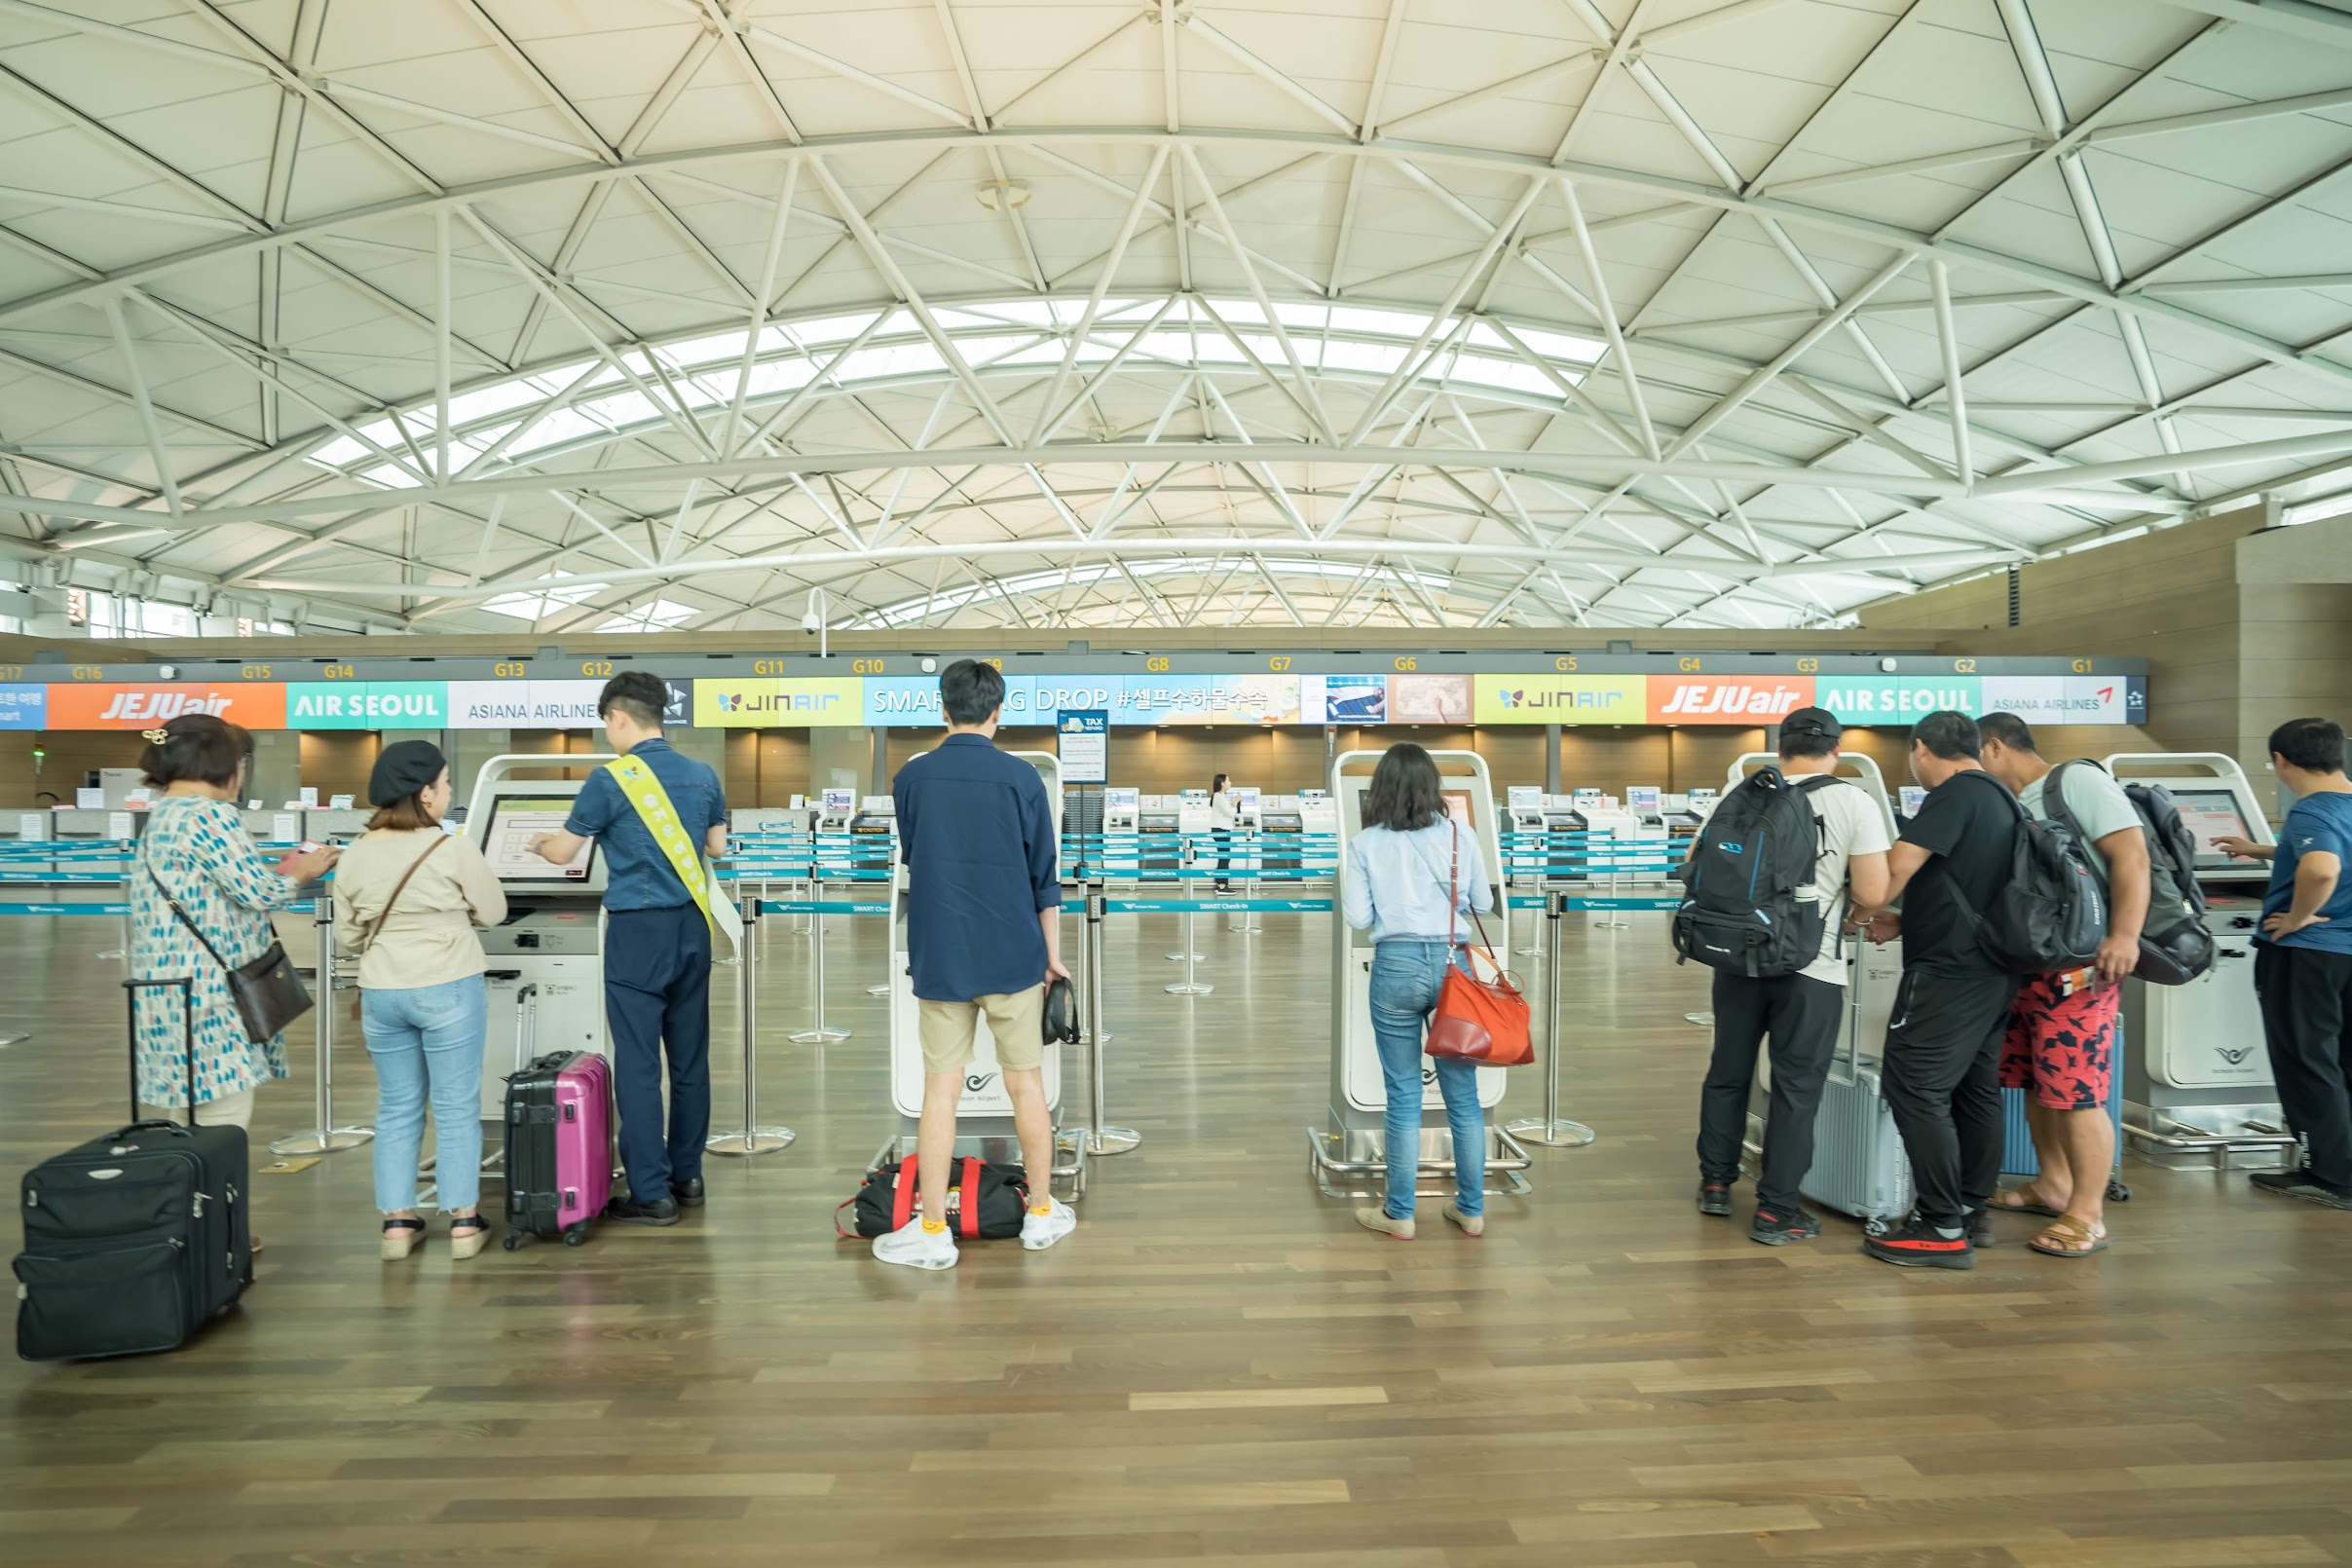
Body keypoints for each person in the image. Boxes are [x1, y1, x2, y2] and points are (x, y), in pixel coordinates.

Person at [877, 658, 1075, 1269]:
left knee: (942, 1091)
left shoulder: (912, 779)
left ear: (942, 709)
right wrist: (1052, 960)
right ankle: (1040, 1215)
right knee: (1027, 1085)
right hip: (1015, 953)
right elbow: (1044, 878)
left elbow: (915, 855)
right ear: (998, 712)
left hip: (941, 954)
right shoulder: (1023, 780)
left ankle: (933, 1229)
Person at [130, 715, 338, 1254]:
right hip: (209, 996)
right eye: (243, 760)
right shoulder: (208, 815)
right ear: (225, 763)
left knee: (183, 1119)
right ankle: (218, 1238)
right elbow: (260, 894)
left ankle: (188, 1229)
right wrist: (304, 870)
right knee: (223, 1122)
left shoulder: (165, 815)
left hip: (165, 993)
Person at [527, 671, 727, 1226]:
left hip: (639, 932)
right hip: (693, 924)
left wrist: (541, 844)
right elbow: (718, 847)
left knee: (639, 1063)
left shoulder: (610, 779)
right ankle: (687, 1175)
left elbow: (566, 850)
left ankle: (651, 1192)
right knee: (689, 1058)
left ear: (618, 717)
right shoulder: (703, 775)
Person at [1693, 708, 1891, 1245]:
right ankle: (1777, 1209)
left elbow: (1696, 863)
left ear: (1780, 747)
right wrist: (1850, 918)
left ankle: (1715, 1183)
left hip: (1738, 958)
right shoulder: (1854, 800)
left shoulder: (1742, 791)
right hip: (1812, 966)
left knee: (1728, 1070)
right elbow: (1873, 892)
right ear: (1837, 748)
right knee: (1796, 1087)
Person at [1850, 711, 2021, 1270]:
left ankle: (1940, 1225)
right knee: (1975, 1090)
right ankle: (1971, 1210)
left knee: (1915, 1087)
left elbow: (1896, 870)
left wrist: (1862, 906)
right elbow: (1966, 885)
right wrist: (1910, 920)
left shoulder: (1952, 795)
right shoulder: (2000, 797)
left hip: (1949, 973)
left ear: (1921, 750)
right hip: (1994, 969)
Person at [1977, 713, 2148, 1256]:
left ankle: (2088, 1213)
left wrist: (2125, 936)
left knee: (2077, 1092)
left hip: (2083, 967)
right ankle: (2054, 1183)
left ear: (1994, 747)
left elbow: (2131, 855)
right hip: (2034, 967)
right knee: (2035, 1083)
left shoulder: (2075, 781)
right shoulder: (2015, 802)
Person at [333, 741, 506, 1261]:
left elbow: (345, 938)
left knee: (397, 1105)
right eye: (447, 783)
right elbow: (494, 912)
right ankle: (462, 1221)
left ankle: (397, 1223)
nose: (450, 792)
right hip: (447, 983)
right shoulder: (451, 848)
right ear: (426, 792)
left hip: (383, 990)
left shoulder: (357, 852)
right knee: (455, 1107)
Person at [1341, 742, 1494, 1241]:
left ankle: (1400, 1215)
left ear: (1380, 790)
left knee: (1403, 1094)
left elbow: (1360, 919)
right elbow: (1481, 901)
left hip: (1397, 964)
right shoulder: (1460, 834)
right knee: (1464, 1098)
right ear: (1433, 786)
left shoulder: (1365, 844)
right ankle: (1471, 1210)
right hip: (1456, 965)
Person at [2217, 717, 2352, 1210]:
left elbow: (2322, 866)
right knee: (2342, 1060)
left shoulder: (2310, 809)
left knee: (2306, 1061)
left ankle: (2328, 1175)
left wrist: (2297, 917)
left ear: (2282, 761)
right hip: (2347, 953)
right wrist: (2264, 850)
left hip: (2309, 954)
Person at [1210, 773, 1236, 894]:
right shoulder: (1219, 796)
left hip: (1222, 829)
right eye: (1228, 780)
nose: (1230, 783)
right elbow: (1230, 813)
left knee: (1223, 857)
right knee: (1224, 857)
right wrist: (1235, 802)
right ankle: (1222, 886)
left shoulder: (1220, 796)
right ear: (1222, 783)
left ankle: (1220, 883)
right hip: (1221, 830)